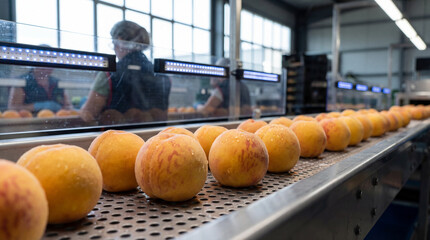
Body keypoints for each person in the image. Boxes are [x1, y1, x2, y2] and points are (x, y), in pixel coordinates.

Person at [80, 20, 171, 123]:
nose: (114, 48)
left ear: (120, 41)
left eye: (114, 43)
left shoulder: (109, 73)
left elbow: (88, 114)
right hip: (156, 136)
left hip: (119, 137)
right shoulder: (162, 75)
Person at [8, 67, 72, 112]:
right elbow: (12, 108)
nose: (47, 68)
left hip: (56, 122)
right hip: (29, 123)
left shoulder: (58, 83)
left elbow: (68, 106)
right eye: (43, 65)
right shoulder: (22, 81)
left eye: (50, 65)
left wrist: (64, 108)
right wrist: (36, 106)